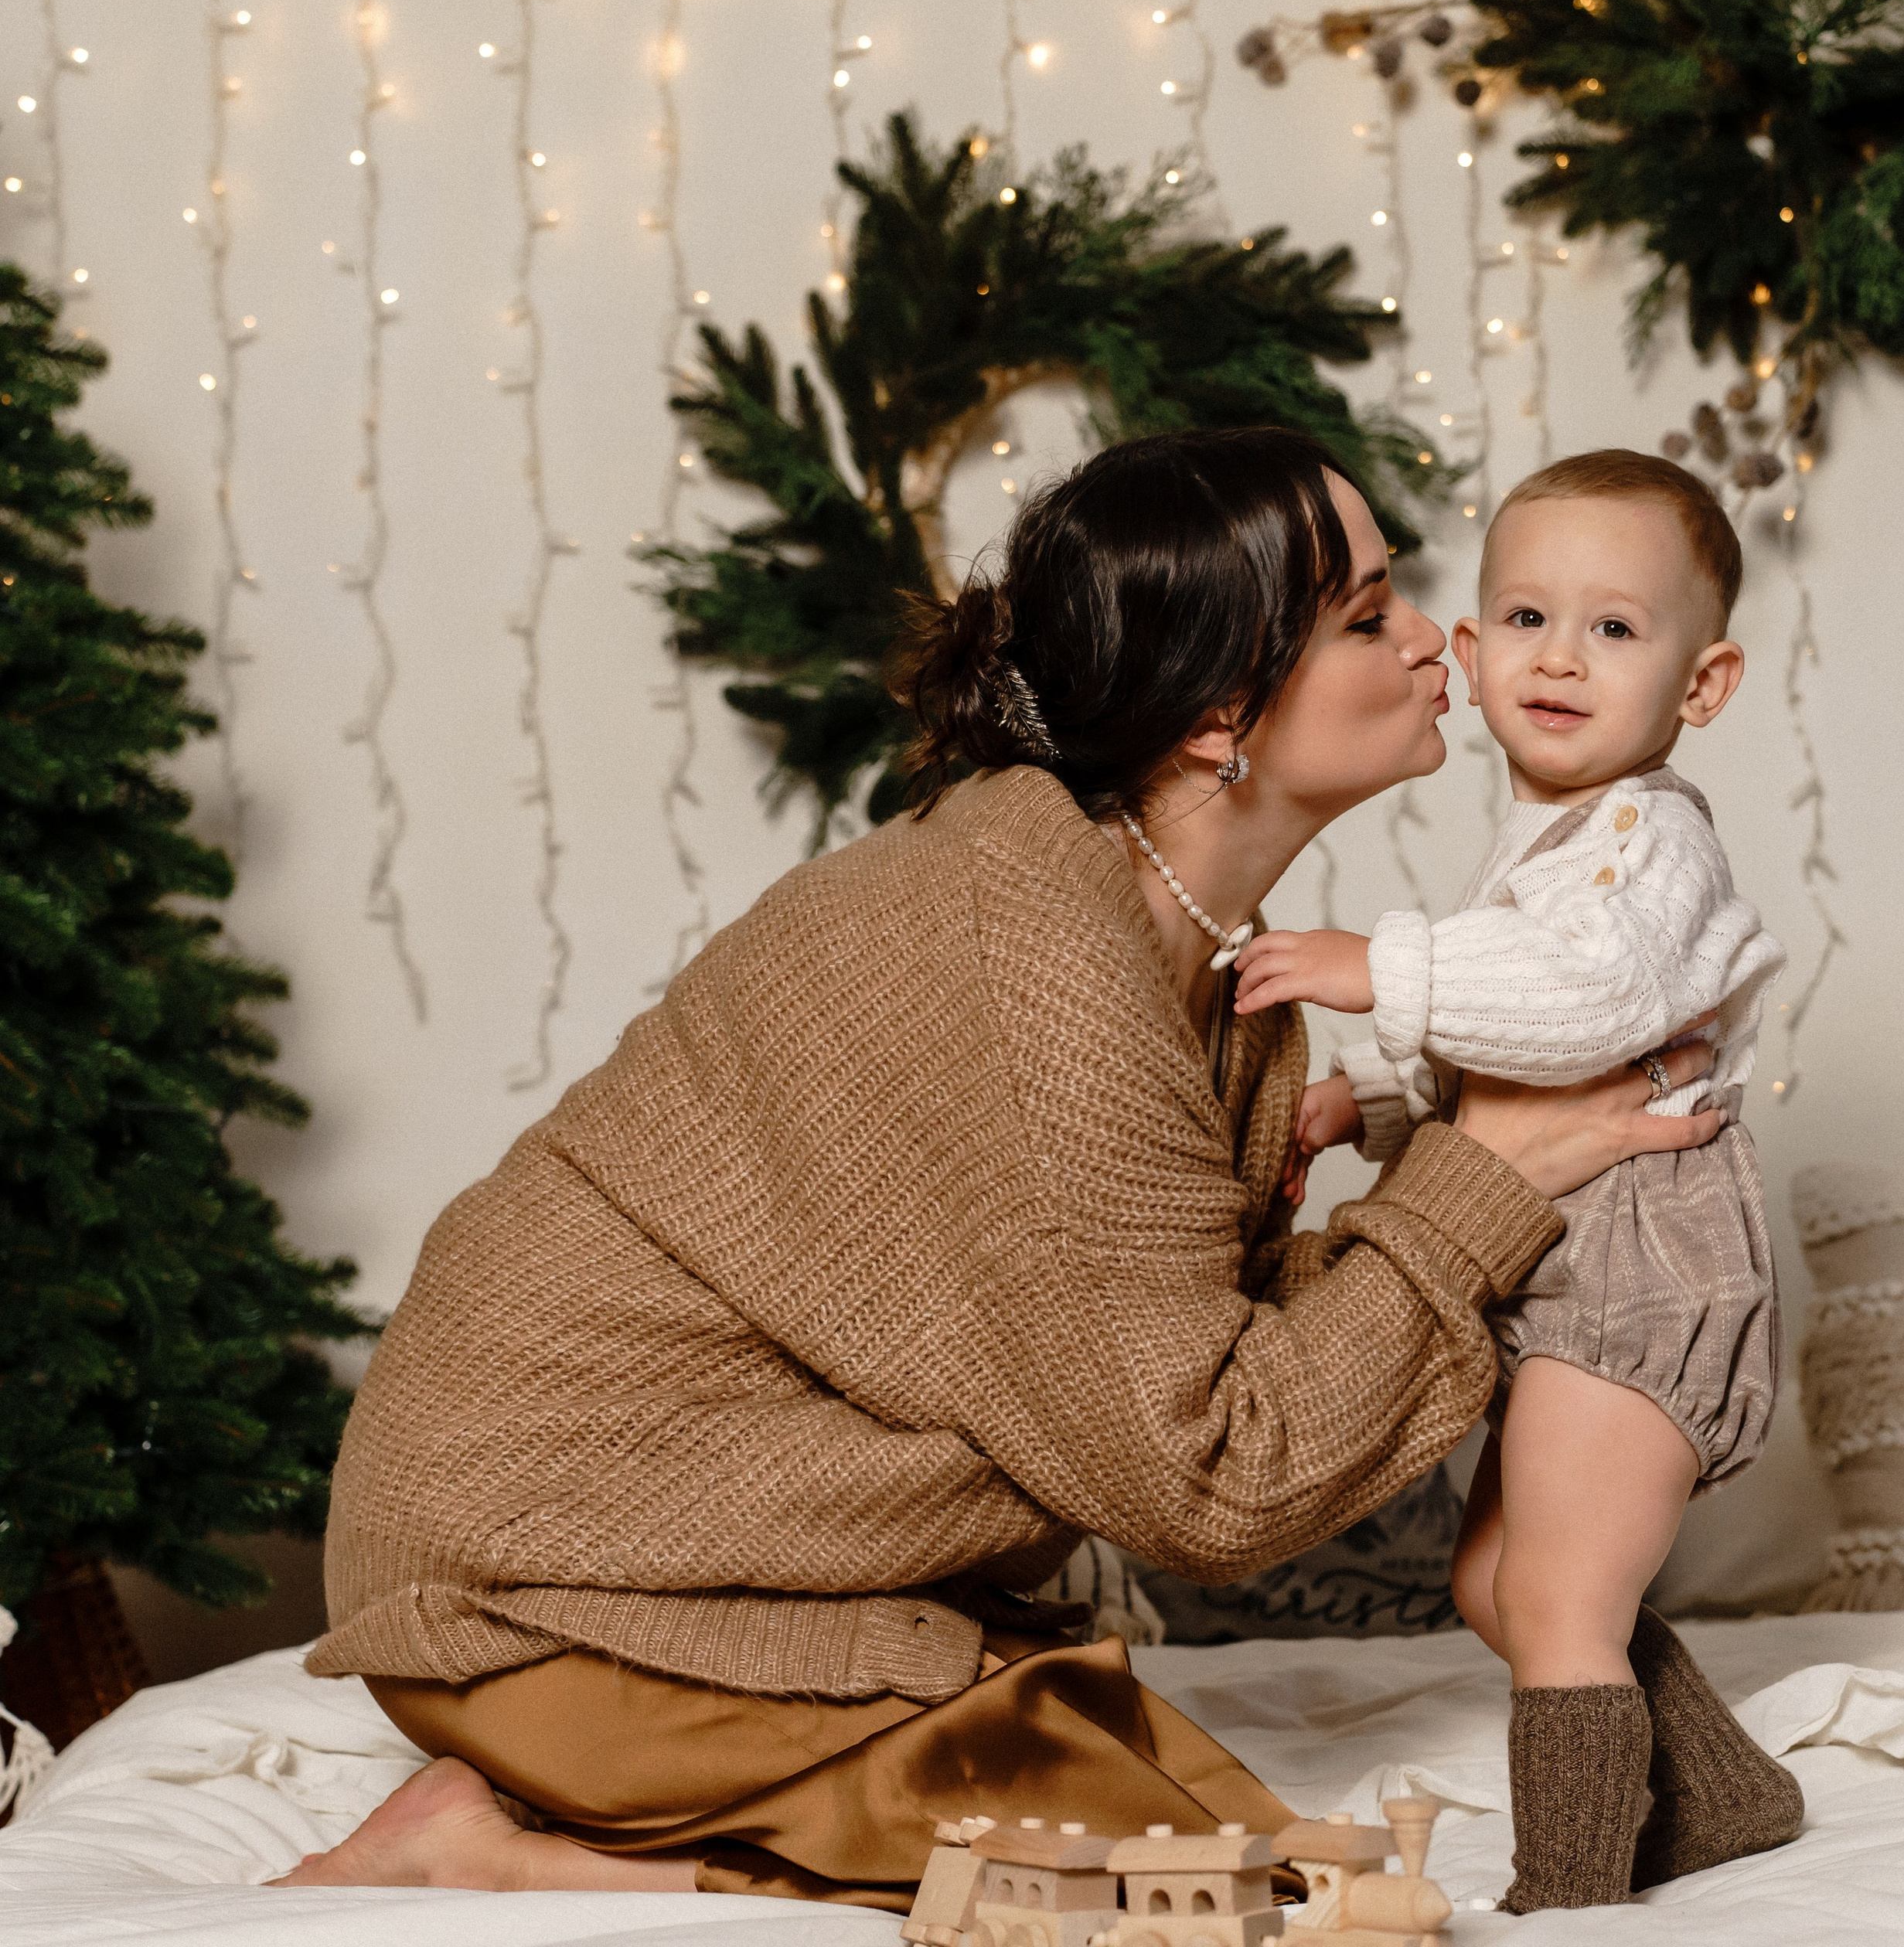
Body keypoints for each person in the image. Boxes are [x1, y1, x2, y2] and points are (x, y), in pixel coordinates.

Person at [277, 429, 1722, 1907]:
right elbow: (1211, 1478)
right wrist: (1480, 1182)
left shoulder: (1173, 939)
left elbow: (1141, 1341)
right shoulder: (1040, 971)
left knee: (1221, 1839)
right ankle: (506, 1858)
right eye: (1367, 618)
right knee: (1204, 1897)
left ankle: (542, 1820)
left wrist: (1459, 1184)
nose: (1438, 642)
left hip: (712, 1546)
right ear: (1221, 711)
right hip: (543, 1586)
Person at [1232, 450, 1804, 1911]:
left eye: (1617, 629)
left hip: (1643, 1251)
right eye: (1532, 619)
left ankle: (1572, 1891)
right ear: (1473, 655)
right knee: (1497, 1584)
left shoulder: (1646, 839)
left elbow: (1590, 1001)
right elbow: (1518, 1049)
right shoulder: (1547, 840)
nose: (1565, 657)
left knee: (1551, 1598)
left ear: (1705, 682)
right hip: (1558, 1236)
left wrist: (1377, 966)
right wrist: (1370, 1101)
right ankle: (1728, 1797)